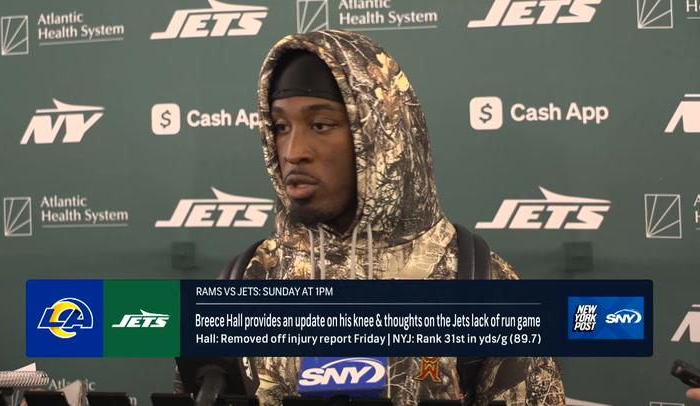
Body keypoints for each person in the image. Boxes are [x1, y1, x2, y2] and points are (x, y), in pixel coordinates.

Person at [223, 29, 565, 405]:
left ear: (379, 136)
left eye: (320, 125)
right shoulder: (248, 280)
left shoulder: (479, 283)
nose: (293, 151)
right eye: (280, 127)